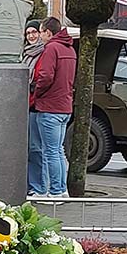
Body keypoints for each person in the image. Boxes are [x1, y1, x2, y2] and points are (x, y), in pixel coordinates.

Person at [31, 17, 76, 199]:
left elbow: (46, 76)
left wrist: (37, 92)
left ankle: (55, 191)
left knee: (49, 151)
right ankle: (61, 189)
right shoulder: (70, 48)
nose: (40, 36)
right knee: (58, 150)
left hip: (50, 106)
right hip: (65, 106)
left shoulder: (51, 48)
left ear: (48, 32)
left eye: (41, 32)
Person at [23, 20, 45, 196]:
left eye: (34, 32)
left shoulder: (44, 53)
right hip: (24, 106)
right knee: (28, 148)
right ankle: (31, 184)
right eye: (28, 32)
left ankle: (39, 186)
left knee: (37, 149)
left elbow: (42, 79)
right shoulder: (25, 54)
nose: (31, 35)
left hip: (36, 106)